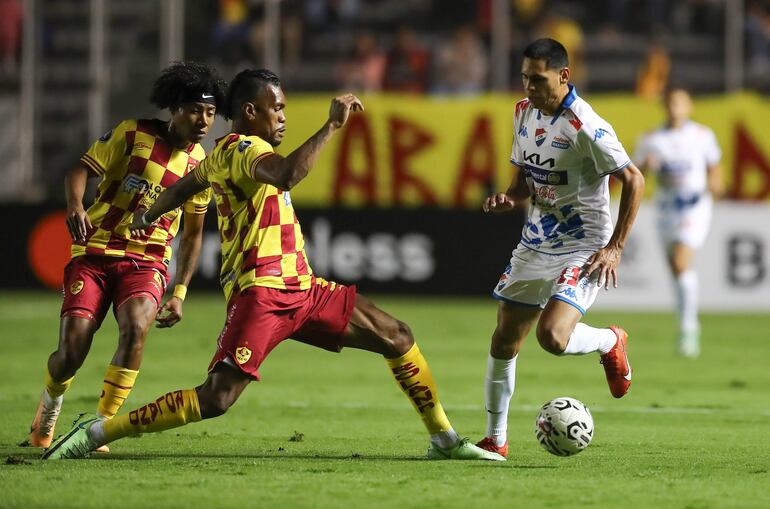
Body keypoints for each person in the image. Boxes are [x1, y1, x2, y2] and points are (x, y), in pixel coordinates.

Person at [42, 69, 503, 462]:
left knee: (397, 336)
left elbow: (185, 189)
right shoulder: (244, 150)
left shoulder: (219, 154)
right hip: (261, 293)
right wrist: (330, 127)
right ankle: (96, 432)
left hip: (302, 288)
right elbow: (287, 174)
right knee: (216, 399)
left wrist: (148, 213)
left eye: (283, 109)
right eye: (276, 109)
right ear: (249, 112)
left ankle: (443, 439)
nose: (282, 116)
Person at [27, 62, 226, 452]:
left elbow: (192, 236)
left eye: (210, 112)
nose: (203, 120)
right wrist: (75, 206)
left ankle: (100, 426)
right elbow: (80, 171)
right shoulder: (133, 133)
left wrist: (180, 290)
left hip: (146, 261)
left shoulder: (202, 168)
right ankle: (49, 406)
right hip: (96, 251)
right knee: (72, 352)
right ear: (175, 108)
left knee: (136, 326)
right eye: (194, 110)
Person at [474, 39, 645, 458]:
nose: (528, 86)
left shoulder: (585, 125)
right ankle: (496, 441)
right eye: (524, 77)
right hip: (536, 241)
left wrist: (615, 247)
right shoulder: (522, 113)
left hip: (582, 244)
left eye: (537, 78)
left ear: (563, 75)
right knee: (504, 340)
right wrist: (507, 199)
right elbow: (521, 187)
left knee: (552, 336)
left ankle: (609, 341)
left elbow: (635, 180)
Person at [634, 88, 722, 358]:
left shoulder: (702, 135)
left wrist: (716, 185)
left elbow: (714, 166)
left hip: (694, 207)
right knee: (675, 269)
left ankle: (688, 328)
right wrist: (646, 165)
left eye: (679, 103)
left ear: (689, 106)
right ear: (664, 106)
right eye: (670, 103)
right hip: (665, 209)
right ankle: (689, 320)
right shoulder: (651, 139)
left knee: (681, 263)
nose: (675, 108)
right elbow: (634, 174)